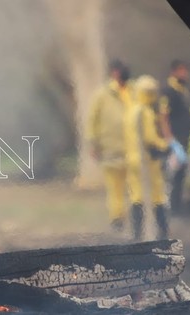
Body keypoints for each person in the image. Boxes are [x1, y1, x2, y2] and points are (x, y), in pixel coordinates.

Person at [124, 75, 187, 240]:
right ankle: (163, 231)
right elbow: (150, 138)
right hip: (147, 161)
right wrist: (166, 146)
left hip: (133, 158)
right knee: (158, 195)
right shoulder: (145, 112)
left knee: (137, 195)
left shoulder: (131, 110)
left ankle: (137, 233)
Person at [86, 60, 133, 231]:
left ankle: (132, 216)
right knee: (115, 186)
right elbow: (92, 120)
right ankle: (117, 218)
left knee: (133, 186)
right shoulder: (102, 95)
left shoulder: (133, 91)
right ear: (114, 73)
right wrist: (93, 144)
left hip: (132, 149)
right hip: (110, 148)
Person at [158, 60, 190, 217]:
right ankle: (169, 210)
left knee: (180, 176)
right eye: (182, 71)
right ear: (174, 71)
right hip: (174, 141)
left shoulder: (182, 90)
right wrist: (170, 140)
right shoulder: (168, 91)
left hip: (184, 140)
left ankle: (177, 207)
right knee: (171, 177)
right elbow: (163, 116)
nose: (185, 74)